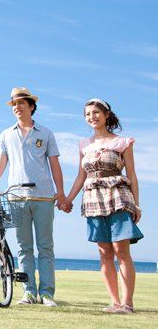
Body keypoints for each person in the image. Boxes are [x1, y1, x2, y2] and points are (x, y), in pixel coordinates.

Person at [0, 87, 68, 307]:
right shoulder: (6, 134)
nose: (17, 106)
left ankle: (47, 294)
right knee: (24, 247)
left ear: (31, 106)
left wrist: (60, 193)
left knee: (45, 247)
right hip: (16, 197)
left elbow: (55, 165)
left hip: (43, 197)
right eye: (14, 104)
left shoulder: (46, 133)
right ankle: (29, 292)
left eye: (21, 102)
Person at [62, 98, 143, 314]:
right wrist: (68, 199)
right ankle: (115, 302)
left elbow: (132, 175)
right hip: (92, 199)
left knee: (121, 250)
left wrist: (137, 204)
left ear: (106, 114)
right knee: (104, 251)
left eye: (96, 112)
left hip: (118, 196)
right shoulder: (83, 145)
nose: (92, 117)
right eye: (87, 114)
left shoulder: (122, 142)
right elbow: (81, 176)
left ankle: (127, 304)